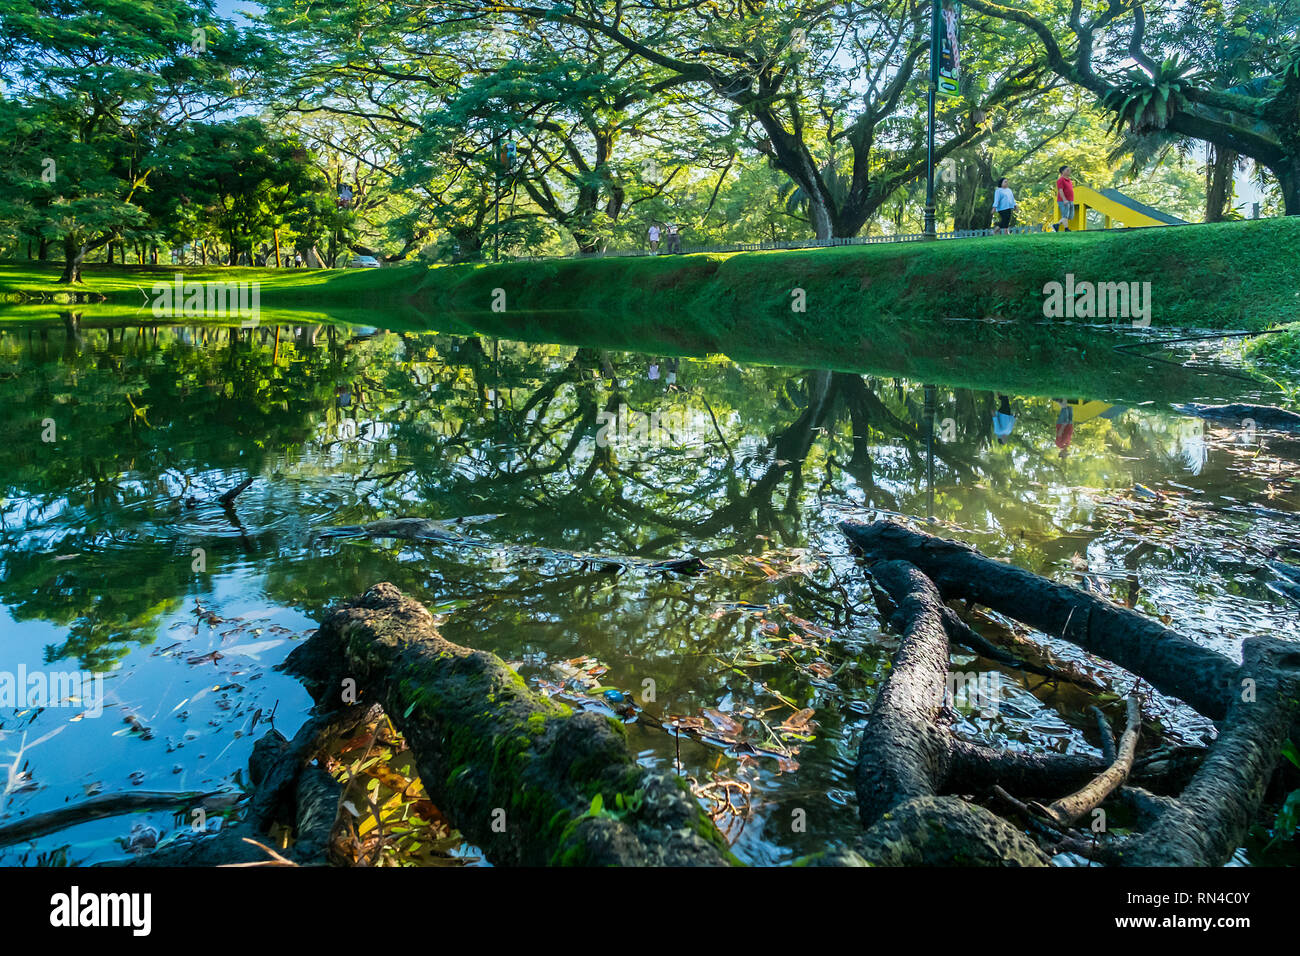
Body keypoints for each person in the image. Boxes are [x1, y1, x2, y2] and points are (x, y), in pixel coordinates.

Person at [1054, 165, 1075, 232]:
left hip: (1070, 200)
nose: (1069, 171)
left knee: (1070, 216)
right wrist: (1064, 199)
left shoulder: (1069, 180)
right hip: (1063, 200)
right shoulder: (1060, 180)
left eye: (1069, 170)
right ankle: (1066, 229)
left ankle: (1057, 225)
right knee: (1065, 215)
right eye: (1067, 170)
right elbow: (1060, 190)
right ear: (1062, 172)